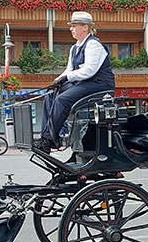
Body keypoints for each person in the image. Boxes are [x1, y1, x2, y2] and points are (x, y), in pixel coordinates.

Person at [33, 11, 115, 153]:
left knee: (62, 100)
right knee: (50, 96)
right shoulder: (74, 47)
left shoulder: (93, 45)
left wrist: (67, 78)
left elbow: (89, 70)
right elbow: (69, 69)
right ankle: (47, 137)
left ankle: (49, 139)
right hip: (84, 83)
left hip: (100, 84)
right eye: (71, 26)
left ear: (85, 27)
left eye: (74, 26)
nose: (71, 29)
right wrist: (58, 80)